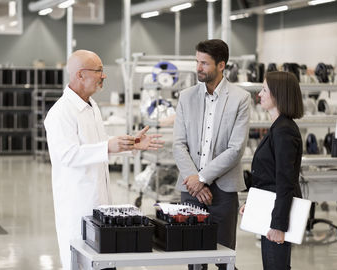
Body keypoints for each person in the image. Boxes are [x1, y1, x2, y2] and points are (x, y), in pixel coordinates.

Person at [44, 50, 163, 270]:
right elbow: (67, 154)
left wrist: (131, 144)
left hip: (100, 201)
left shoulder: (91, 106)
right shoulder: (61, 113)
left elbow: (97, 142)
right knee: (79, 262)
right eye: (99, 70)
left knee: (101, 261)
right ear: (80, 75)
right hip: (77, 204)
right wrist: (107, 146)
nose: (104, 76)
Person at [173, 39, 250, 270]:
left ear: (221, 65)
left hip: (224, 191)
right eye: (197, 61)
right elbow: (178, 144)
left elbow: (236, 149)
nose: (198, 68)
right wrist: (195, 182)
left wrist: (202, 178)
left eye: (204, 63)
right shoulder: (186, 97)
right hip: (190, 190)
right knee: (194, 260)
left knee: (224, 258)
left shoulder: (240, 98)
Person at [239, 71, 304, 270]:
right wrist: (252, 204)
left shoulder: (284, 130)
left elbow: (285, 181)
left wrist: (278, 225)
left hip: (276, 216)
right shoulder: (278, 127)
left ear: (278, 94)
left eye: (265, 90)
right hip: (269, 210)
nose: (260, 94)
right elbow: (267, 176)